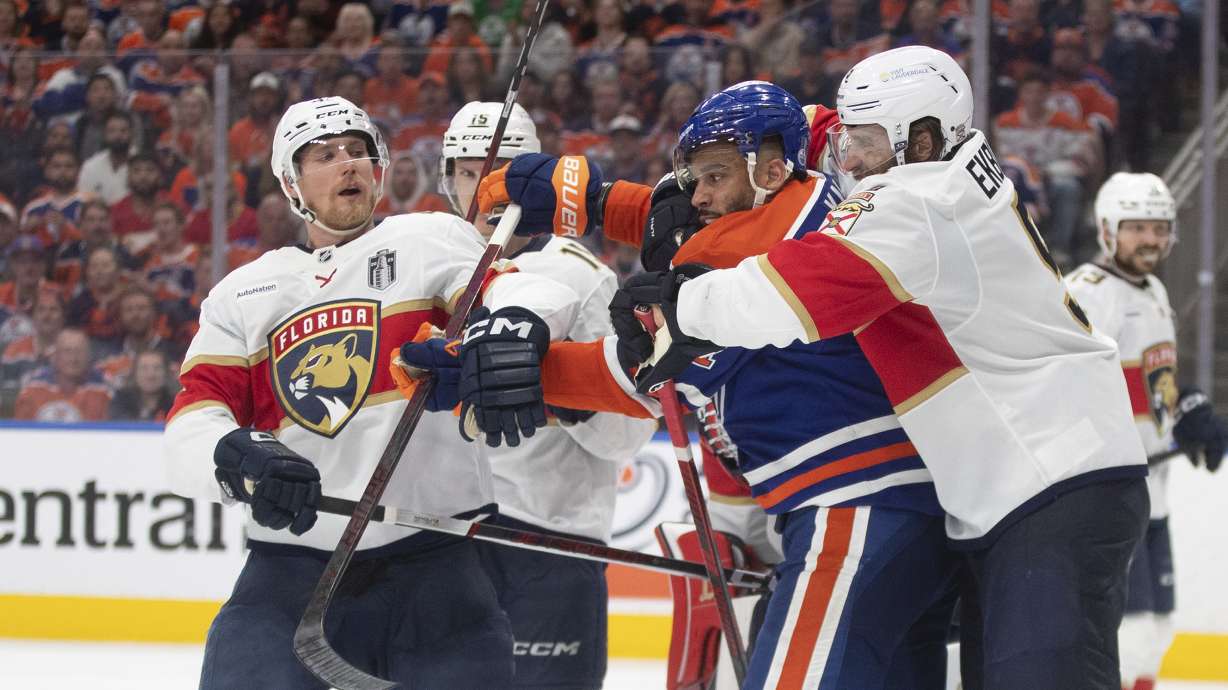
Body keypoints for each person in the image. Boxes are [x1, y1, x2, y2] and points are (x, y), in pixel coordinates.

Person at [578, 47, 1149, 689]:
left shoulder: (920, 204)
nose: (847, 158)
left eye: (867, 142)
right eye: (850, 137)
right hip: (1021, 484)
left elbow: (796, 292)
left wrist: (678, 307)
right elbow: (811, 129)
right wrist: (618, 202)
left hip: (1053, 480)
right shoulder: (940, 160)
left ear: (924, 139)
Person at [462, 83, 960, 689]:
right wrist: (601, 203)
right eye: (691, 179)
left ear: (774, 168)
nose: (696, 197)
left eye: (714, 177)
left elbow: (635, 370)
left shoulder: (800, 230)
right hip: (877, 515)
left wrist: (597, 203)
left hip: (858, 510)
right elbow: (699, 257)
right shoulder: (765, 233)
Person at [162, 96, 578, 688]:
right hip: (290, 573)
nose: (348, 165)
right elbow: (193, 418)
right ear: (291, 181)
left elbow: (520, 294)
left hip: (437, 568)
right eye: (325, 156)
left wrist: (514, 330)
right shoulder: (243, 293)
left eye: (358, 152)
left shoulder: (432, 238)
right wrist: (235, 457)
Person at [405, 100, 656, 689]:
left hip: (550, 541)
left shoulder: (581, 274)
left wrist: (559, 394)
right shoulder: (423, 268)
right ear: (448, 179)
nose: (482, 187)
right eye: (468, 171)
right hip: (443, 537)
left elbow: (633, 426)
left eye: (500, 169)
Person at [1065, 173, 1228, 690]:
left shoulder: (1153, 290)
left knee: (1154, 632)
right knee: (1120, 637)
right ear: (1108, 230)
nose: (1151, 240)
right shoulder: (1086, 295)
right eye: (1136, 227)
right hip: (1110, 494)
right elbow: (1065, 391)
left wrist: (1188, 407)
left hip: (1152, 493)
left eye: (1158, 228)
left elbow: (1154, 384)